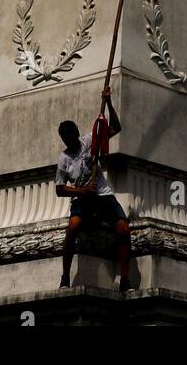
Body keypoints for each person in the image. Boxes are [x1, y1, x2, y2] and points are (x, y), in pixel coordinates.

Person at [55, 86, 132, 293]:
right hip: (83, 199)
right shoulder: (64, 159)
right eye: (66, 139)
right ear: (63, 139)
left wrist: (108, 102)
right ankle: (64, 277)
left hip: (102, 194)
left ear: (77, 134)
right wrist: (81, 192)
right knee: (72, 228)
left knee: (124, 229)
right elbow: (60, 189)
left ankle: (124, 280)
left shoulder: (90, 141)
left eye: (72, 137)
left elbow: (116, 127)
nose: (71, 141)